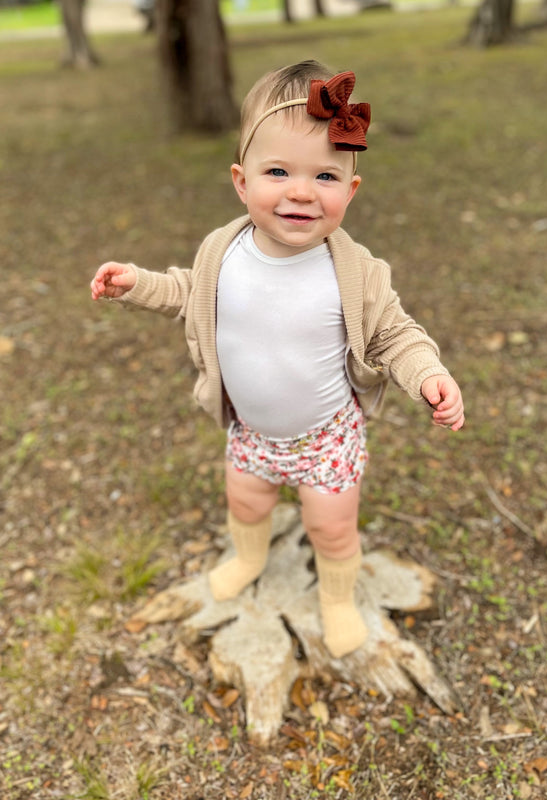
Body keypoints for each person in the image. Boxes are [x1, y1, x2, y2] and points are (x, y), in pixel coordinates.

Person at [90, 60, 464, 659]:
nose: (300, 191)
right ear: (241, 181)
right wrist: (137, 284)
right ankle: (247, 558)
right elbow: (188, 293)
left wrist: (430, 375)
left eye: (325, 175)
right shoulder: (224, 252)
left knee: (331, 526)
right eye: (278, 171)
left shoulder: (354, 272)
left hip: (325, 437)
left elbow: (395, 334)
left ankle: (338, 599)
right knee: (245, 498)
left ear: (351, 188)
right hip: (251, 431)